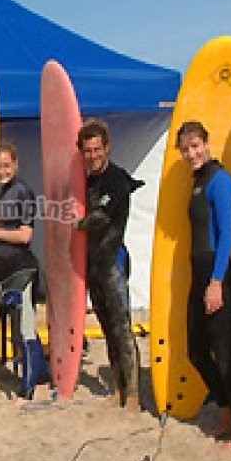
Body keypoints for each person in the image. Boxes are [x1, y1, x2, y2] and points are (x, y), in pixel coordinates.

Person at [176, 121, 231, 446]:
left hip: (217, 274)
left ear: (206, 143)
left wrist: (218, 281)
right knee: (196, 351)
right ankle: (226, 410)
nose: (191, 153)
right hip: (199, 272)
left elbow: (225, 234)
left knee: (223, 353)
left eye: (196, 146)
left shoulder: (220, 179)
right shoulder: (197, 182)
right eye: (185, 148)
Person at [76, 119, 143, 410]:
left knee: (122, 328)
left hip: (113, 261)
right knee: (106, 327)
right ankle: (118, 388)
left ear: (107, 148)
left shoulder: (116, 180)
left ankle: (134, 396)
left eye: (97, 149)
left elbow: (100, 218)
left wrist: (73, 223)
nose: (92, 155)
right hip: (94, 265)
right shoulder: (85, 181)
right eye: (87, 151)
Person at [0, 142, 50, 401]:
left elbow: (24, 235)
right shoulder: (2, 191)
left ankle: (29, 390)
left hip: (23, 269)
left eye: (6, 165)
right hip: (6, 269)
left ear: (16, 164)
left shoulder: (23, 192)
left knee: (26, 328)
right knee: (15, 326)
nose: (2, 171)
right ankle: (40, 376)